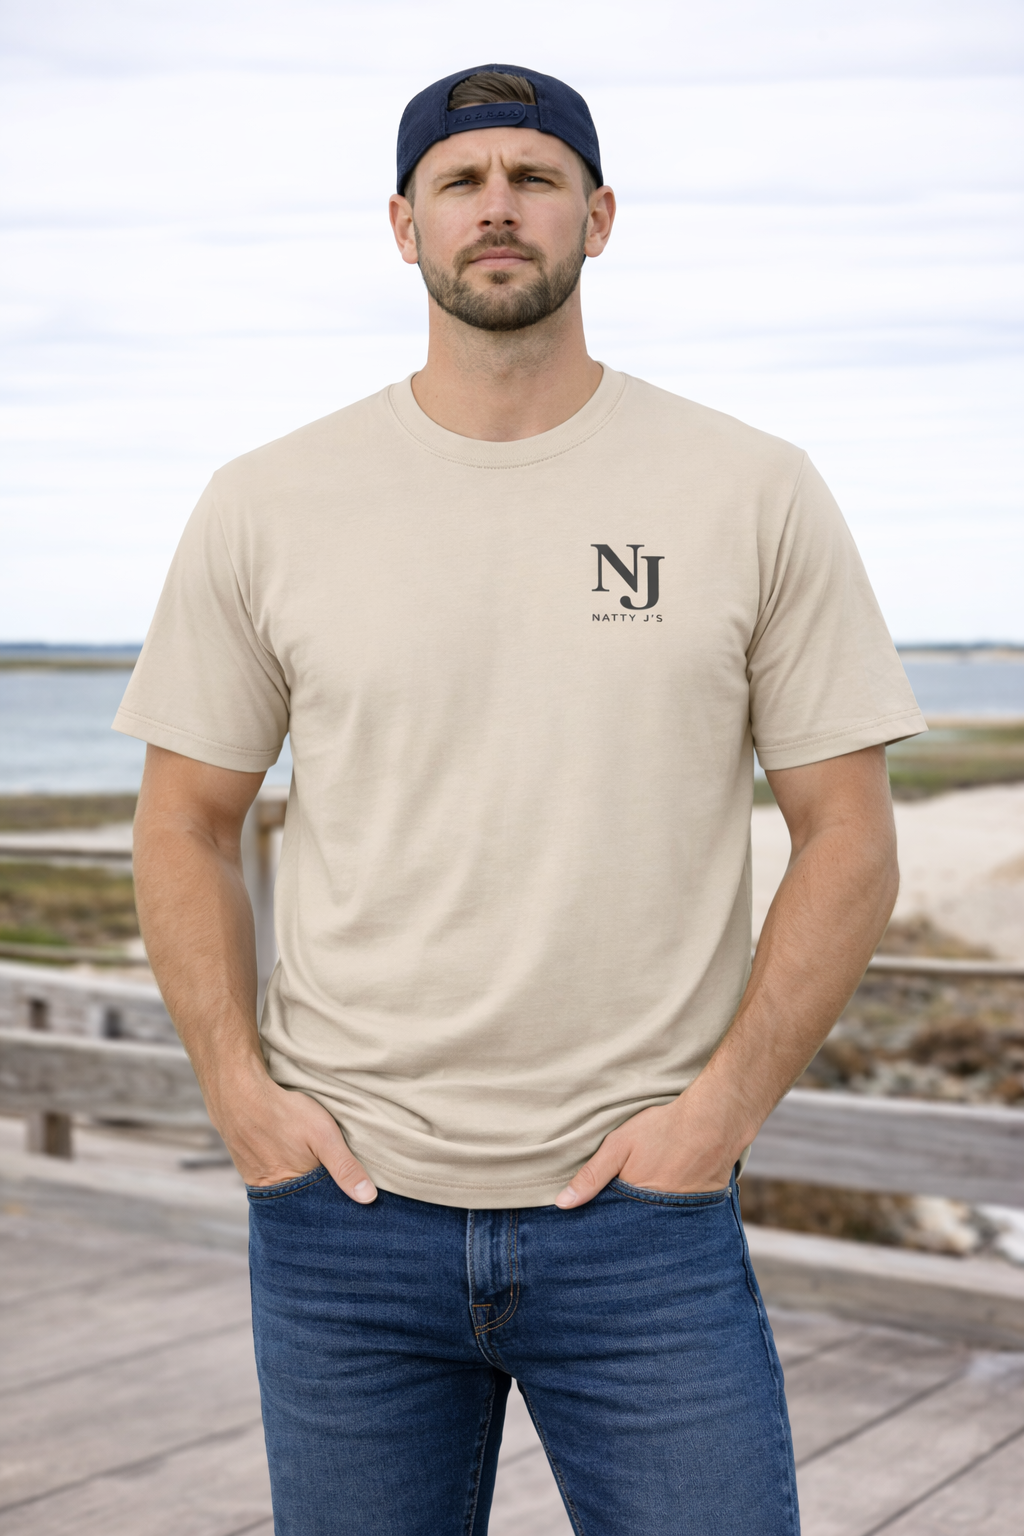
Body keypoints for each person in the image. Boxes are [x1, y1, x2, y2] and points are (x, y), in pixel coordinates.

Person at [119, 63, 925, 1536]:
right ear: (403, 224)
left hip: (646, 1214)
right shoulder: (267, 500)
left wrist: (717, 1117)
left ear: (599, 217)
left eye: (535, 176)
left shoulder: (751, 487)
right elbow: (183, 821)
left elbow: (849, 836)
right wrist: (240, 1093)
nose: (499, 206)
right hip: (343, 1214)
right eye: (462, 180)